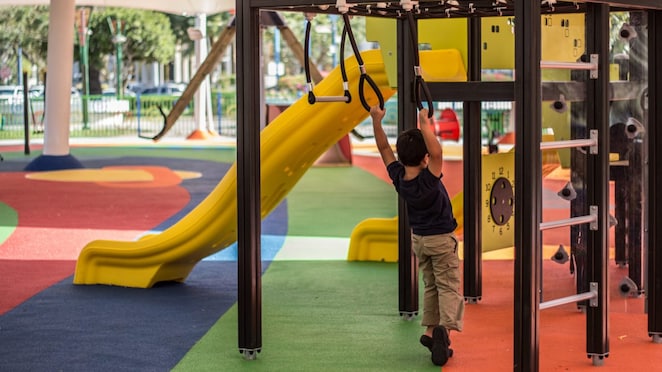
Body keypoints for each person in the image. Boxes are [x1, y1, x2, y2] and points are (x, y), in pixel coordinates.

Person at [370, 105, 464, 367]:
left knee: (432, 284)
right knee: (447, 286)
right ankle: (445, 328)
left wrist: (377, 121)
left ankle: (431, 332)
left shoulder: (400, 178)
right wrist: (424, 122)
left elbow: (383, 149)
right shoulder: (429, 180)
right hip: (442, 240)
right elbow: (438, 151)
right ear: (425, 158)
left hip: (420, 241)